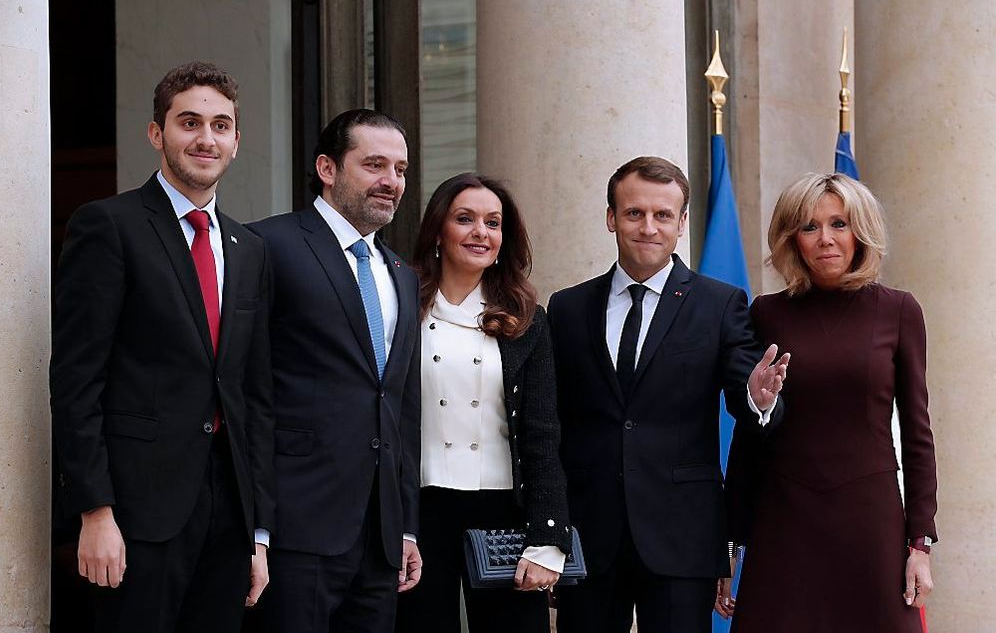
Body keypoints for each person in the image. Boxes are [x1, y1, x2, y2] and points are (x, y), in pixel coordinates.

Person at [50, 61, 275, 632]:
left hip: (227, 514)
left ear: (236, 140)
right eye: (189, 122)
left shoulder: (248, 248)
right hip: (134, 513)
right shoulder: (108, 226)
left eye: (220, 125)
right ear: (157, 133)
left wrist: (257, 532)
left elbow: (253, 397)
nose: (206, 139)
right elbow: (77, 382)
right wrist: (94, 511)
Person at [547, 156, 789, 633]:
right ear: (611, 218)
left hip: (682, 533)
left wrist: (759, 396)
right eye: (634, 213)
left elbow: (746, 392)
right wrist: (549, 530)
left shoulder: (720, 303)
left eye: (663, 215)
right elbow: (552, 421)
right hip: (589, 533)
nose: (648, 227)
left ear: (682, 224)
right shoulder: (567, 307)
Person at [722, 173, 938, 633]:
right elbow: (749, 434)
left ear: (860, 231)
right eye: (809, 226)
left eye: (839, 224)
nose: (826, 240)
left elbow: (918, 433)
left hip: (870, 519)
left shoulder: (899, 310)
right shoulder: (766, 312)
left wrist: (920, 543)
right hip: (784, 518)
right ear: (791, 238)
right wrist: (731, 542)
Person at [248, 109, 422, 633]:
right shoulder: (266, 246)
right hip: (295, 523)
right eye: (374, 165)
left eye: (400, 169)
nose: (391, 181)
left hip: (380, 535)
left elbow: (401, 408)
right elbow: (245, 387)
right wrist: (255, 529)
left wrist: (407, 526)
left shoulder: (401, 275)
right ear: (327, 168)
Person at [395, 173, 572, 633]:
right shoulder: (399, 305)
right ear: (438, 230)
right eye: (465, 219)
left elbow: (542, 434)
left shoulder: (527, 319)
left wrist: (548, 539)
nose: (481, 232)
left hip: (502, 511)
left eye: (493, 223)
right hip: (419, 510)